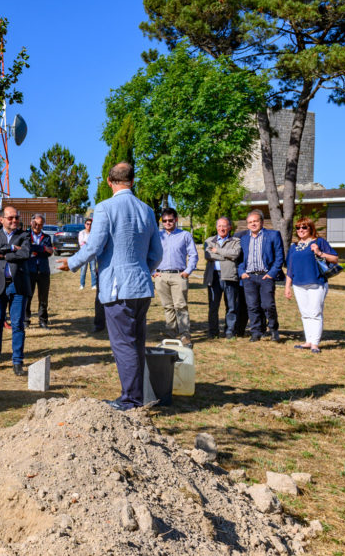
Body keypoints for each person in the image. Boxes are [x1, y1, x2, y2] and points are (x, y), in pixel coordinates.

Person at [56, 162, 162, 411]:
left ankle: (131, 400)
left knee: (123, 345)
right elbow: (157, 253)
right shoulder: (147, 210)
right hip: (141, 286)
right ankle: (138, 395)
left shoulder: (105, 208)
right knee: (136, 342)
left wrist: (71, 263)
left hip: (118, 288)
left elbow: (93, 247)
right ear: (132, 181)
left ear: (108, 181)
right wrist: (141, 271)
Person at [0, 206, 31, 375]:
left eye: (16, 217)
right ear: (2, 219)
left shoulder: (24, 235)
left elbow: (25, 253)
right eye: (10, 218)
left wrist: (4, 253)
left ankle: (17, 361)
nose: (14, 220)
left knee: (17, 324)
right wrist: (12, 249)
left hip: (18, 285)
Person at [284, 217, 338, 353]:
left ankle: (315, 343)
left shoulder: (319, 242)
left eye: (304, 227)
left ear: (311, 228)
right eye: (298, 228)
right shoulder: (294, 247)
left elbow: (335, 259)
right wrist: (287, 287)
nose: (300, 230)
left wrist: (319, 252)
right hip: (298, 284)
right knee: (305, 313)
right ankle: (308, 341)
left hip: (316, 282)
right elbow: (290, 269)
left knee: (315, 312)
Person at [152, 207, 198, 347]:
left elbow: (193, 254)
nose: (167, 223)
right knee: (168, 306)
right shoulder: (157, 236)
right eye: (164, 221)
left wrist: (187, 271)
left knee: (181, 306)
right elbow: (150, 254)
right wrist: (153, 271)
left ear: (176, 220)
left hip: (179, 275)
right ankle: (170, 332)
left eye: (170, 220)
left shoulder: (185, 235)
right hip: (161, 276)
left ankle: (185, 335)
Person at [238, 209, 285, 342]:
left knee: (268, 305)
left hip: (266, 276)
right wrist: (242, 272)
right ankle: (256, 332)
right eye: (250, 222)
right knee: (252, 306)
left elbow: (279, 256)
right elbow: (240, 259)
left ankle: (273, 330)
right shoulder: (244, 239)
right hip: (249, 277)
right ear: (247, 225)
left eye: (256, 221)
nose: (253, 224)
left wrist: (271, 274)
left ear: (262, 222)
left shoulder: (273, 235)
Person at [203, 216, 242, 339]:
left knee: (231, 306)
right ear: (216, 227)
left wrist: (217, 251)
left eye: (224, 226)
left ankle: (229, 331)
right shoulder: (209, 240)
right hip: (213, 276)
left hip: (229, 276)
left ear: (229, 227)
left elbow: (235, 254)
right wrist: (226, 255)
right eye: (219, 226)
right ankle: (213, 331)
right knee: (213, 306)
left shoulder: (235, 241)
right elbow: (208, 255)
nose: (221, 228)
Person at [24, 213, 54, 329]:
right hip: (29, 270)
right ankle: (26, 320)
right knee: (27, 296)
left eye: (40, 224)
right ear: (31, 222)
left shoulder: (47, 237)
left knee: (43, 298)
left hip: (43, 271)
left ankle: (43, 321)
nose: (37, 226)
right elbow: (27, 249)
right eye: (35, 223)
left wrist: (38, 249)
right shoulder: (26, 236)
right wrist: (42, 249)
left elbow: (50, 252)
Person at [77, 217, 96, 290]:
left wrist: (86, 242)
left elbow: (94, 243)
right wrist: (88, 243)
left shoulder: (94, 233)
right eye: (87, 224)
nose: (89, 226)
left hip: (92, 254)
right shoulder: (81, 233)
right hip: (84, 254)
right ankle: (82, 285)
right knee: (83, 270)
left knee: (93, 269)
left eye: (90, 224)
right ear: (85, 224)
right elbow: (81, 243)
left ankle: (94, 285)